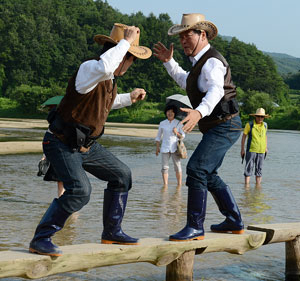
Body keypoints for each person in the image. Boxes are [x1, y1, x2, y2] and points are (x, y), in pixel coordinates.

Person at [29, 23, 152, 256]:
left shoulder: (107, 79)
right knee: (80, 190)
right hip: (60, 142)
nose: (131, 64)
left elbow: (102, 105)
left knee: (122, 175)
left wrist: (129, 98)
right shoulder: (90, 68)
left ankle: (112, 232)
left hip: (86, 146)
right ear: (121, 55)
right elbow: (106, 65)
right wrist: (126, 41)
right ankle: (41, 238)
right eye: (131, 58)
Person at [153, 13, 244, 241]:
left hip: (226, 124)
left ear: (202, 35)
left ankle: (195, 227)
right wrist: (168, 62)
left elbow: (216, 91)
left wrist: (199, 111)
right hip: (219, 126)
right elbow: (187, 82)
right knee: (208, 173)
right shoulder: (197, 64)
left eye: (188, 35)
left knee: (196, 170)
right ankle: (234, 220)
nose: (183, 40)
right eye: (181, 36)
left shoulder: (212, 61)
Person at [155, 104, 185, 189]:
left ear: (174, 113)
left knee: (177, 166)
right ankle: (165, 185)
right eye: (168, 111)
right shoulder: (162, 123)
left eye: (172, 112)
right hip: (164, 148)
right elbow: (158, 137)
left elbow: (182, 136)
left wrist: (176, 132)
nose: (170, 113)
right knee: (164, 167)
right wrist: (157, 148)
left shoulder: (179, 123)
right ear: (166, 113)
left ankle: (179, 185)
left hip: (175, 148)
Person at [241, 108, 269, 187]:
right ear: (255, 116)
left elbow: (265, 136)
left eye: (262, 117)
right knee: (249, 168)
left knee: (259, 169)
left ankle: (258, 187)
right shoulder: (249, 125)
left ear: (264, 117)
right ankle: (246, 188)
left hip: (262, 151)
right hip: (251, 149)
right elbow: (244, 137)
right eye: (258, 116)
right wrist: (242, 149)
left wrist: (266, 147)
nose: (260, 118)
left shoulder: (265, 125)